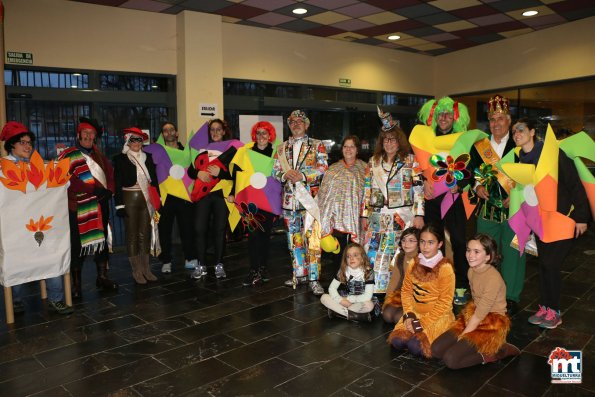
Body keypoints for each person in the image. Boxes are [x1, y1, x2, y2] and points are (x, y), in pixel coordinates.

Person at [510, 119, 591, 329]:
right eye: (513, 132)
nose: (516, 134)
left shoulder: (553, 153)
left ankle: (554, 311)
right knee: (544, 265)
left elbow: (574, 183)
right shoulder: (520, 159)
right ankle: (545, 307)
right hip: (540, 220)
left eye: (520, 130)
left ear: (532, 132)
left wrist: (582, 217)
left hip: (563, 219)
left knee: (551, 264)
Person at [0, 121, 73, 315]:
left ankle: (56, 298)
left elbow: (58, 187)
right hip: (16, 228)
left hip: (42, 224)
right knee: (16, 258)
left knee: (51, 254)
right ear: (11, 145)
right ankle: (15, 299)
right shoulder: (2, 169)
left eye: (29, 142)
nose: (27, 146)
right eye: (22, 142)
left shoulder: (40, 167)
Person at [468, 95, 525, 315]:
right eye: (492, 119)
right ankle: (483, 293)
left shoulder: (518, 145)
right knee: (484, 252)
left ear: (509, 121)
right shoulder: (480, 146)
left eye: (501, 118)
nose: (496, 123)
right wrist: (476, 187)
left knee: (512, 254)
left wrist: (518, 193)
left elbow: (530, 175)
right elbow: (473, 172)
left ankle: (510, 296)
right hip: (487, 210)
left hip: (514, 210)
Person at [431, 234, 520, 369]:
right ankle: (480, 347)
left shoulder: (493, 279)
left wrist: (465, 335)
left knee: (451, 360)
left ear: (488, 256)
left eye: (476, 252)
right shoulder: (471, 271)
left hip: (491, 323)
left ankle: (496, 352)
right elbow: (476, 302)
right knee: (436, 350)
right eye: (468, 250)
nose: (470, 255)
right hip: (474, 316)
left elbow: (480, 314)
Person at [361, 108, 424, 296]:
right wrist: (364, 214)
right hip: (376, 215)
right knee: (371, 252)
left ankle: (393, 291)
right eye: (385, 139)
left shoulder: (411, 161)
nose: (389, 143)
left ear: (399, 141)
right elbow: (366, 190)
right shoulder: (373, 162)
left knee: (395, 253)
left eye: (393, 139)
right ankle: (374, 291)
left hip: (400, 216)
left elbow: (419, 190)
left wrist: (419, 214)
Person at [417, 97, 471, 306]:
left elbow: (470, 172)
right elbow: (419, 166)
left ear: (455, 118)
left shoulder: (462, 141)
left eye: (448, 115)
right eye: (440, 114)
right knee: (431, 241)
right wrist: (424, 180)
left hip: (453, 197)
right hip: (432, 199)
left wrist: (460, 185)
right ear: (434, 117)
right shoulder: (427, 140)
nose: (444, 118)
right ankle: (432, 282)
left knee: (458, 241)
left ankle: (461, 286)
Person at [59, 118, 118, 299]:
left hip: (100, 205)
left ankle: (102, 277)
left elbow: (110, 175)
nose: (88, 136)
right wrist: (93, 189)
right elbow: (67, 180)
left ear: (95, 137)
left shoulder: (100, 156)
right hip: (78, 207)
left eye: (91, 134)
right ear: (78, 135)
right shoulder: (68, 155)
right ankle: (76, 284)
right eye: (84, 133)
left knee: (101, 243)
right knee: (77, 245)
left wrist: (109, 191)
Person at [273, 110, 328, 295]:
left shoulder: (317, 145)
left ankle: (314, 278)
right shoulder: (281, 148)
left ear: (306, 124)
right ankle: (299, 274)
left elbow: (323, 168)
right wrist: (284, 174)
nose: (296, 124)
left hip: (310, 201)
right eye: (292, 121)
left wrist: (303, 175)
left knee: (313, 240)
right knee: (293, 240)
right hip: (289, 202)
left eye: (300, 121)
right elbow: (274, 171)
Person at [387, 223, 455, 358]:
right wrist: (409, 315)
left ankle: (441, 335)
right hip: (415, 313)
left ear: (440, 244)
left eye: (431, 242)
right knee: (397, 341)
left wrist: (421, 324)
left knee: (415, 347)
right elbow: (406, 291)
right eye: (423, 242)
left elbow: (444, 303)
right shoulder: (414, 262)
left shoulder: (445, 268)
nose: (425, 247)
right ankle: (412, 331)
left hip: (436, 316)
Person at [227, 121, 281, 286]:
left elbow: (281, 175)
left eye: (265, 133)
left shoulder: (276, 153)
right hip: (250, 199)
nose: (262, 136)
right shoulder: (245, 152)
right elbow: (237, 173)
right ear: (254, 135)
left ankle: (263, 267)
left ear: (270, 135)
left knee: (265, 235)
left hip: (269, 198)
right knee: (253, 235)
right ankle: (253, 269)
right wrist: (232, 192)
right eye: (259, 133)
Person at [188, 118, 236, 279]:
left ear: (223, 131)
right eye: (212, 130)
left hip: (221, 195)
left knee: (219, 230)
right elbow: (190, 170)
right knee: (199, 229)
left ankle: (218, 264)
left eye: (218, 129)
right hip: (203, 195)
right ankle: (200, 265)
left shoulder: (232, 148)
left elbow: (237, 173)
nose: (215, 132)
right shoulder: (202, 149)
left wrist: (220, 173)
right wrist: (198, 173)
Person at [113, 127, 160, 284]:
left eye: (139, 140)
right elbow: (117, 182)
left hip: (146, 198)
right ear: (127, 141)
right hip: (129, 197)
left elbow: (155, 181)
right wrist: (119, 205)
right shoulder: (120, 159)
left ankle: (146, 269)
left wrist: (157, 201)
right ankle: (136, 271)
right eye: (133, 140)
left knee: (145, 233)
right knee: (132, 234)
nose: (136, 143)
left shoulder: (148, 157)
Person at [152, 121, 197, 274]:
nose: (169, 132)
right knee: (164, 229)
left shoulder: (187, 152)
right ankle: (166, 260)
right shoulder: (157, 153)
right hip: (166, 197)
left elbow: (193, 172)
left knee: (187, 228)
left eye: (172, 130)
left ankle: (190, 257)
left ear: (177, 133)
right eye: (165, 130)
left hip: (184, 195)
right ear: (162, 135)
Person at [317, 135, 367, 269]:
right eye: (345, 146)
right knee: (338, 255)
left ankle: (354, 280)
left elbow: (368, 194)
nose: (348, 149)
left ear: (357, 150)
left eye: (352, 146)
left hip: (356, 218)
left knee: (354, 253)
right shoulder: (333, 169)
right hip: (335, 219)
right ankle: (338, 281)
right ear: (342, 149)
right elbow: (324, 195)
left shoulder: (365, 168)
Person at [320, 243, 375, 322]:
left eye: (355, 255)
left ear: (362, 258)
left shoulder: (368, 272)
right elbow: (332, 288)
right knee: (324, 297)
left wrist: (349, 300)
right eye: (348, 256)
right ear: (345, 259)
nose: (351, 258)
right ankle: (356, 316)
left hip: (361, 300)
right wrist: (340, 300)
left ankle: (338, 312)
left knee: (369, 305)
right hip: (345, 300)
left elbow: (367, 296)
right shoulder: (344, 270)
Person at [381, 227, 420, 323]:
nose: (406, 244)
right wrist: (387, 300)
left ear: (419, 243)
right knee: (387, 315)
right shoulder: (400, 257)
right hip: (402, 294)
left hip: (417, 297)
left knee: (398, 318)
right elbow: (394, 280)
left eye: (411, 241)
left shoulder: (422, 258)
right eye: (404, 240)